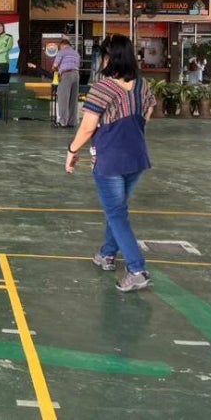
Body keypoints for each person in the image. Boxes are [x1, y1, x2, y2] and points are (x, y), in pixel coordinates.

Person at [65, 34, 155, 293]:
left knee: (116, 213)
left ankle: (137, 269)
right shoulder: (142, 85)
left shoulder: (103, 88)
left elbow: (87, 127)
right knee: (117, 209)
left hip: (110, 159)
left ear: (109, 58)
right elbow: (149, 110)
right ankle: (106, 254)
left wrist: (71, 151)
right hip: (137, 157)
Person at [52, 37, 81, 128]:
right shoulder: (76, 53)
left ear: (62, 45)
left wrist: (56, 69)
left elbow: (55, 66)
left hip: (66, 74)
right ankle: (72, 122)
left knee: (63, 98)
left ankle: (63, 122)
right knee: (73, 99)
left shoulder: (62, 52)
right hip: (76, 75)